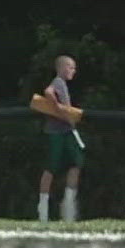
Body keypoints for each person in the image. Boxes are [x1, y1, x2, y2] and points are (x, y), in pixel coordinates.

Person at [37, 54, 82, 222]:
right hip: (56, 132)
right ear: (62, 68)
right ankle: (43, 208)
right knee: (51, 168)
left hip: (68, 131)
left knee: (76, 163)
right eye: (70, 67)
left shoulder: (64, 85)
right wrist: (57, 107)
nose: (73, 71)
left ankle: (69, 204)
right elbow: (48, 92)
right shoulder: (58, 82)